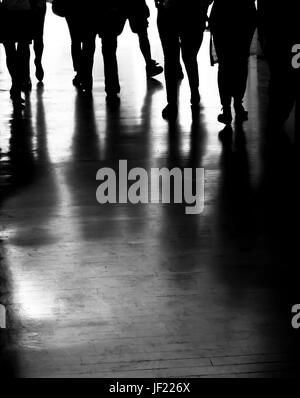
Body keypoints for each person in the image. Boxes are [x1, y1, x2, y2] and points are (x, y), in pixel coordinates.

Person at [155, 0, 210, 120]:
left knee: (170, 59)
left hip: (168, 12)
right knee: (189, 57)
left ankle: (172, 103)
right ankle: (194, 92)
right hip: (192, 13)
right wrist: (203, 8)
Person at [210, 0, 257, 124]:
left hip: (222, 17)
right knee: (240, 64)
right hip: (244, 17)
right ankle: (238, 104)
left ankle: (226, 108)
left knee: (224, 66)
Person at [53, 0, 98, 93]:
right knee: (89, 41)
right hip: (90, 9)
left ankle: (80, 72)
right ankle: (87, 73)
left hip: (71, 7)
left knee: (75, 40)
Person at [1, 0, 35, 108]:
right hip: (24, 11)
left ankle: (15, 84)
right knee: (22, 51)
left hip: (8, 11)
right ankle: (16, 86)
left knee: (10, 51)